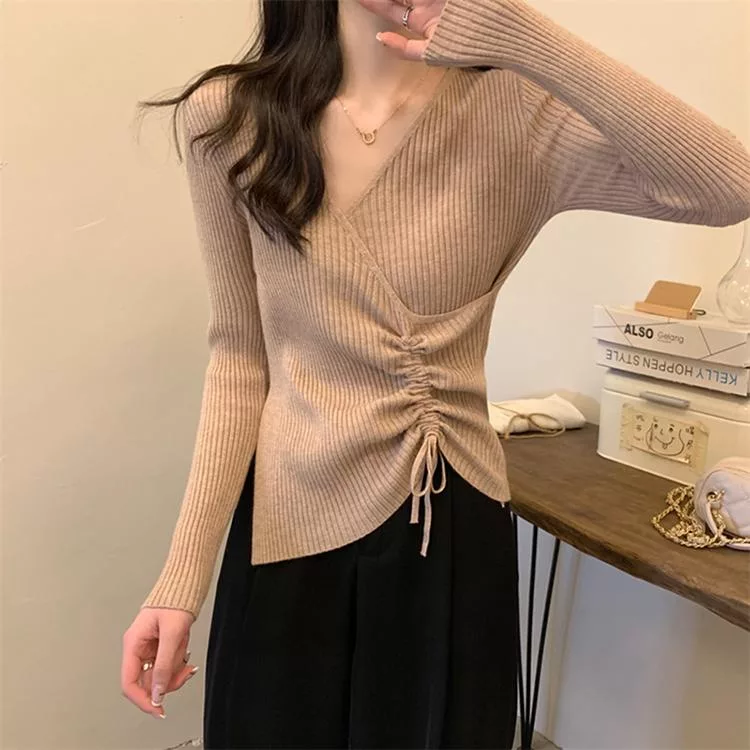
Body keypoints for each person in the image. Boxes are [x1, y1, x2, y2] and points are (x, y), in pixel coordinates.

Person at [121, 0, 750, 747]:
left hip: (449, 519)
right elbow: (239, 358)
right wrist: (181, 580)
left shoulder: (516, 113)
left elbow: (728, 187)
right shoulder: (231, 117)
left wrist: (520, 36)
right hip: (290, 519)